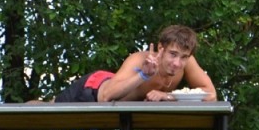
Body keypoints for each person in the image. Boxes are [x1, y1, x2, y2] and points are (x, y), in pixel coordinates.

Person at [52, 25, 217, 103]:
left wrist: (169, 96)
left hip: (122, 104)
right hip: (92, 89)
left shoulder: (187, 62)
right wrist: (143, 75)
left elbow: (211, 95)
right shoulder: (139, 60)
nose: (177, 63)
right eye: (173, 54)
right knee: (48, 108)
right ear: (161, 48)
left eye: (183, 57)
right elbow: (105, 97)